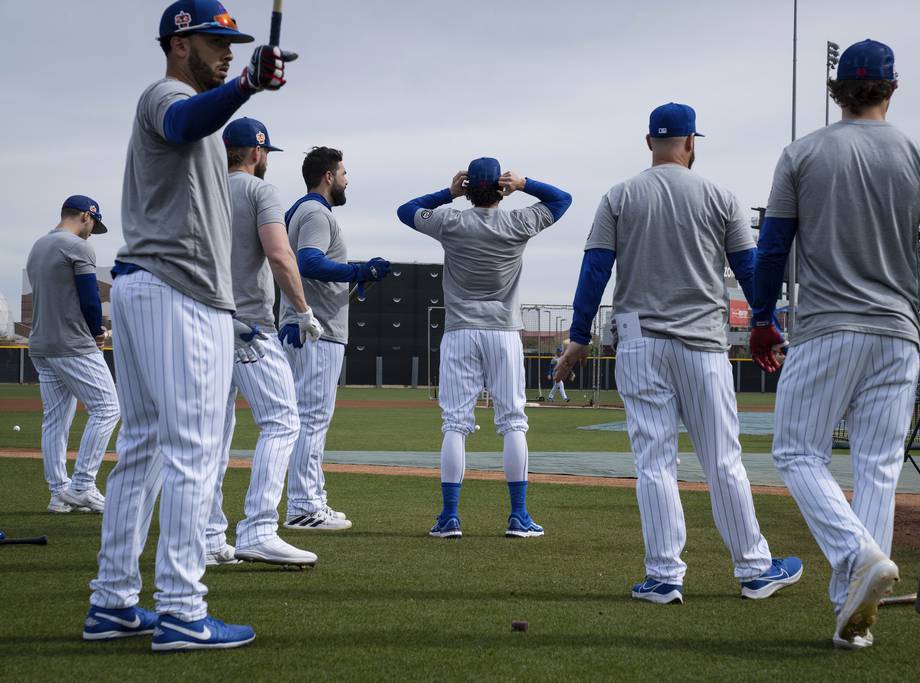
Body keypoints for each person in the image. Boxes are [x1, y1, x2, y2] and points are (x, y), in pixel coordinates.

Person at [748, 40, 920, 649]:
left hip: (828, 327)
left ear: (836, 89)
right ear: (891, 87)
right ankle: (851, 617)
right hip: (897, 336)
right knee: (877, 468)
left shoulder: (801, 154)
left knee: (799, 453)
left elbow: (774, 248)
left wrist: (760, 318)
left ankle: (857, 559)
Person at [85, 0, 296, 651]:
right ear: (180, 43)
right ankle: (181, 607)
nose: (228, 50)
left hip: (150, 288)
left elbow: (200, 123)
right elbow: (183, 120)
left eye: (233, 43)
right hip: (178, 292)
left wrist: (237, 89)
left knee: (147, 449)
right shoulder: (168, 94)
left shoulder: (201, 112)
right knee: (191, 451)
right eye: (216, 40)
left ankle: (113, 601)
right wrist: (246, 86)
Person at [556, 103, 802, 604]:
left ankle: (665, 575)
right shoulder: (719, 196)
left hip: (640, 345)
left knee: (654, 463)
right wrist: (767, 323)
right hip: (704, 346)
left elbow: (595, 271)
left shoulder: (620, 195)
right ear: (692, 143)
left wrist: (579, 337)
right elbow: (752, 271)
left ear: (650, 142)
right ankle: (754, 569)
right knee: (722, 461)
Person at [398, 157, 572, 539]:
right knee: (513, 421)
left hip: (460, 330)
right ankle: (519, 516)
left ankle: (449, 518)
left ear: (469, 188)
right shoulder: (518, 221)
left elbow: (405, 210)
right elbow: (562, 200)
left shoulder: (451, 221)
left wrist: (448, 192)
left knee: (454, 425)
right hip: (503, 331)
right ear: (500, 188)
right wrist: (525, 183)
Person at [203, 117, 322, 568]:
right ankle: (258, 530)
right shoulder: (259, 191)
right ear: (256, 152)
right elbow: (279, 254)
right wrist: (304, 310)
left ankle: (211, 538)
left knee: (214, 435)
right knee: (283, 421)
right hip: (251, 325)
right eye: (267, 152)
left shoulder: (204, 190)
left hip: (208, 324)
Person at [278, 146, 391, 531]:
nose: (346, 179)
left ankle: (311, 498)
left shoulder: (300, 210)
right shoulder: (314, 211)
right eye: (343, 172)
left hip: (308, 326)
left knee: (307, 417)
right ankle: (303, 506)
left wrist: (359, 277)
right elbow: (309, 261)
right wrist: (359, 268)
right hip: (316, 330)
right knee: (311, 418)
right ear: (328, 176)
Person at [26, 195, 119, 514]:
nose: (92, 231)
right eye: (93, 223)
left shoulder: (38, 245)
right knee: (108, 408)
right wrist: (98, 331)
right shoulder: (78, 247)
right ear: (84, 216)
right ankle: (83, 485)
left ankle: (58, 493)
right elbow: (90, 298)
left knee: (55, 419)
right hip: (72, 343)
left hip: (40, 344)